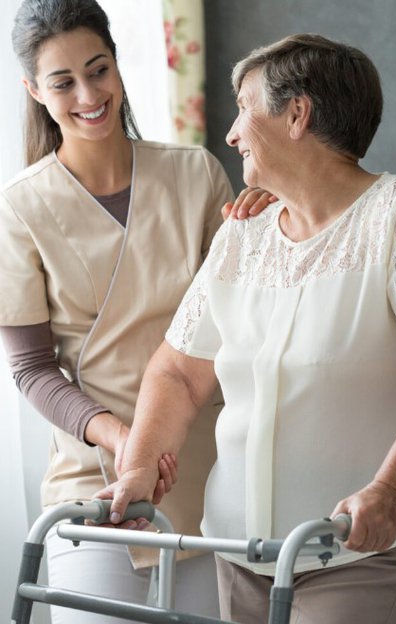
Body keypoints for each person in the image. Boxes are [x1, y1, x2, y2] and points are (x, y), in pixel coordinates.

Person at [97, 33, 396, 624]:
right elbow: (177, 370)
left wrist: (392, 492)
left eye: (244, 108)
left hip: (358, 554)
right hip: (238, 556)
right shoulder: (243, 234)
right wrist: (139, 466)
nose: (229, 133)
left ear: (297, 114)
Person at [0, 1, 275, 622]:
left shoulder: (195, 174)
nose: (87, 94)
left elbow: (247, 319)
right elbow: (32, 370)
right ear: (33, 91)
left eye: (98, 70)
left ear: (119, 68)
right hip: (93, 485)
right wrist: (124, 439)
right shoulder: (20, 208)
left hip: (204, 477)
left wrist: (267, 230)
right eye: (63, 81)